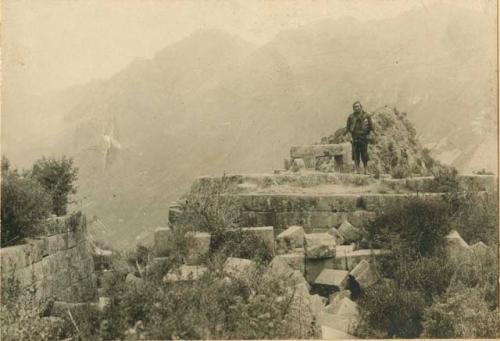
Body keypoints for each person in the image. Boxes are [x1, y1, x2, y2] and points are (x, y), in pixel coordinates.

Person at [346, 101, 373, 174]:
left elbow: (371, 127)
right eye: (355, 107)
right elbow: (348, 128)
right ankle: (356, 170)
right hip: (354, 137)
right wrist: (350, 137)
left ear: (361, 107)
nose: (356, 108)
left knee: (364, 154)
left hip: (363, 137)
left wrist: (369, 135)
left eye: (358, 106)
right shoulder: (351, 117)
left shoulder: (366, 116)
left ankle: (366, 170)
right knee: (355, 154)